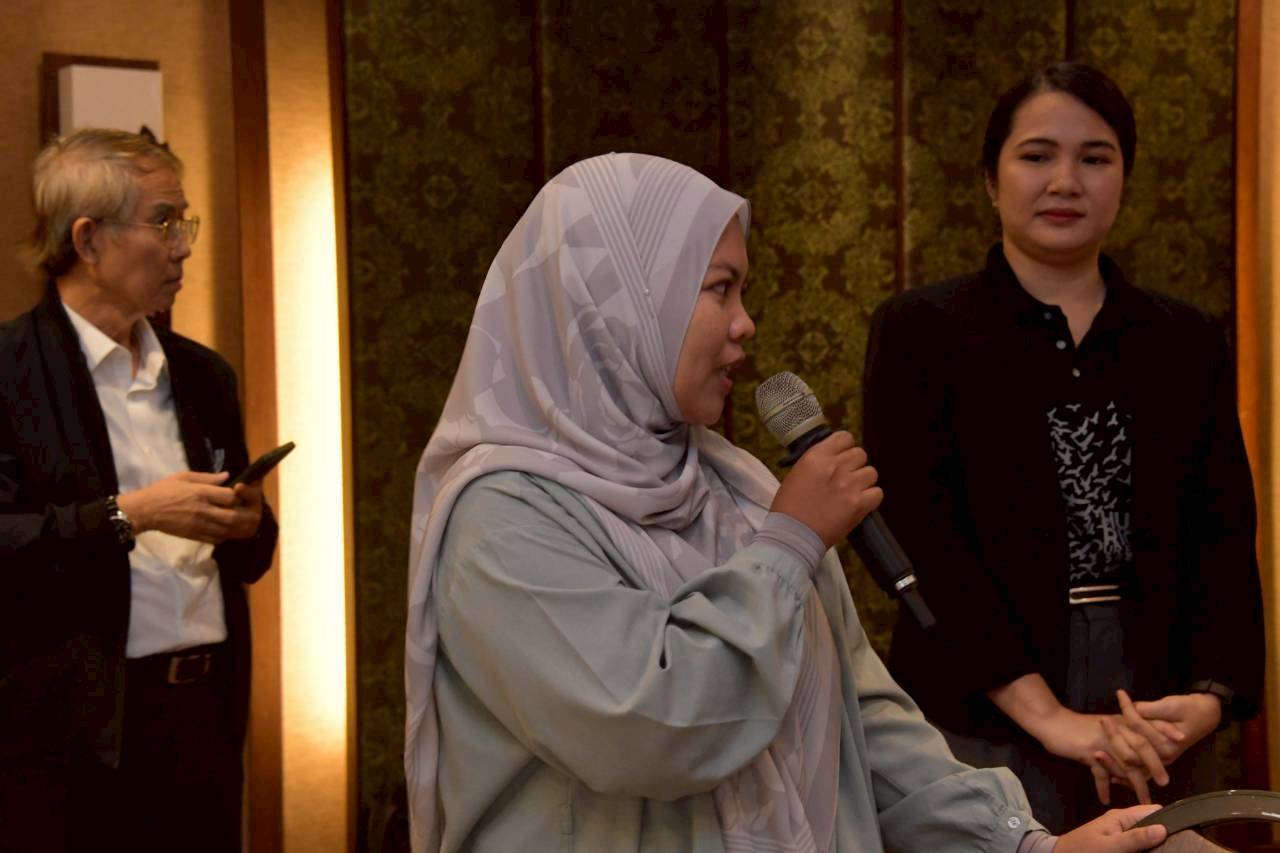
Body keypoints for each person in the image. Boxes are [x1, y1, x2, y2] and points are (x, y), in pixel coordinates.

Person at [404, 152, 1169, 852]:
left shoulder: (737, 492)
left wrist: (1026, 845)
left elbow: (864, 724)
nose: (746, 322)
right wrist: (788, 546)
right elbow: (648, 727)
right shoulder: (502, 519)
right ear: (619, 302)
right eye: (719, 289)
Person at [862, 62, 1264, 834]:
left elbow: (1223, 533)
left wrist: (1209, 700)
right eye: (1037, 155)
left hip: (1153, 707)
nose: (1065, 181)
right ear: (991, 178)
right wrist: (1048, 715)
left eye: (1095, 157)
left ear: (1125, 177)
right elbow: (923, 540)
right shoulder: (923, 331)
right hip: (984, 693)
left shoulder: (1183, 338)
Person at [0, 129, 279, 852]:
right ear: (88, 240)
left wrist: (249, 522)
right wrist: (132, 515)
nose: (182, 247)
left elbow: (251, 556)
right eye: (163, 222)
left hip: (204, 715)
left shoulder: (204, 375)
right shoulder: (10, 373)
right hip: (71, 738)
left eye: (185, 222)